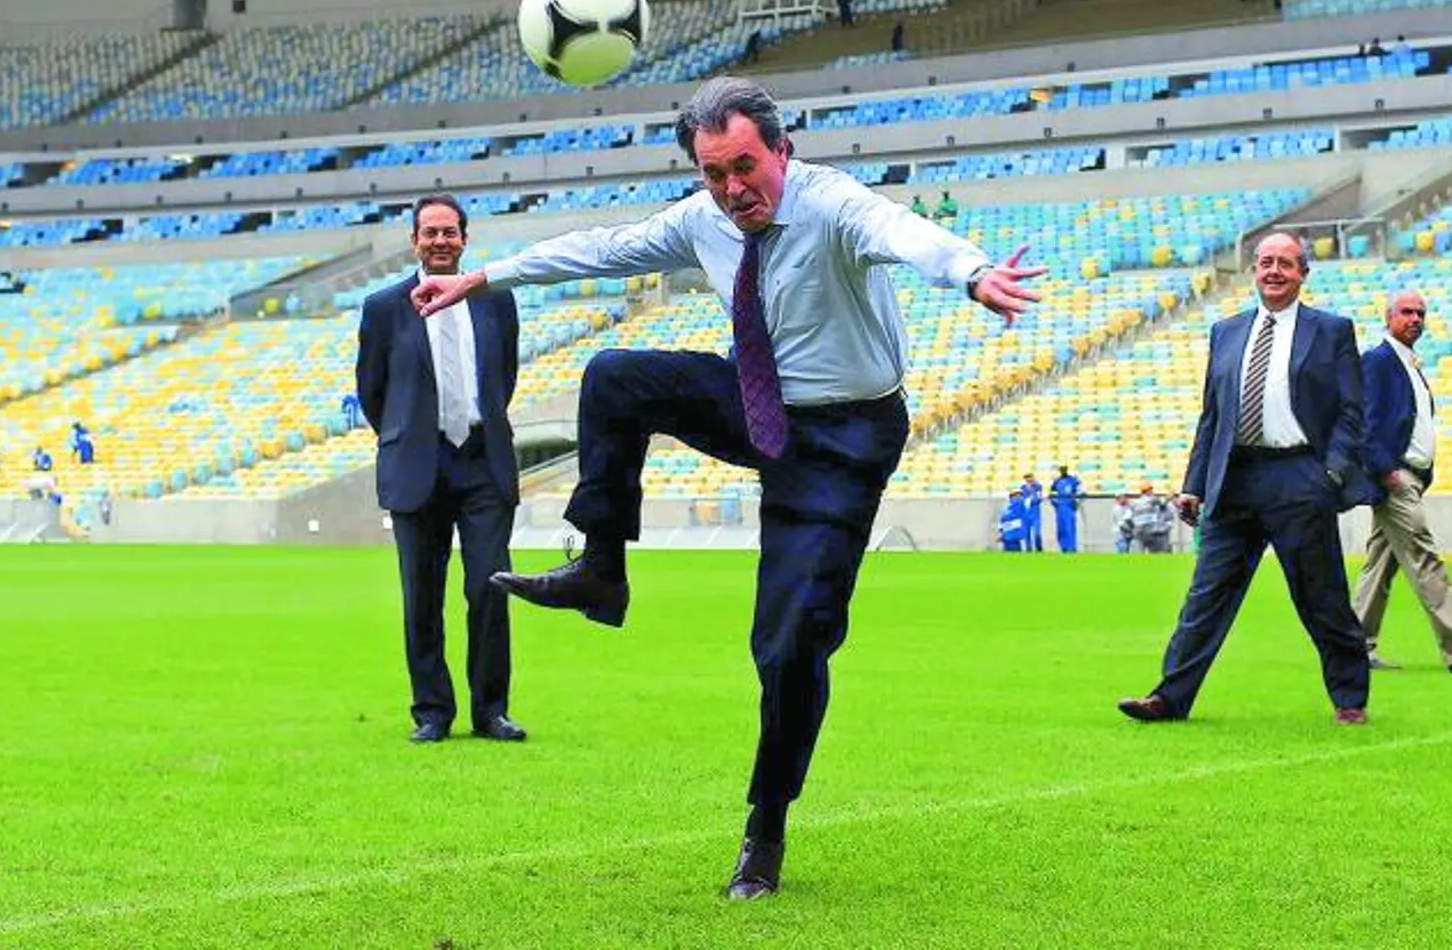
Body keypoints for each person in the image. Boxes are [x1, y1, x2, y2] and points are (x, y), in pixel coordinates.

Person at [408, 76, 1044, 900]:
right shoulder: (702, 216)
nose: (733, 188)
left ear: (782, 149)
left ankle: (765, 829)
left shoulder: (832, 203)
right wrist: (481, 277)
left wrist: (972, 272)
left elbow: (899, 227)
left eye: (746, 166)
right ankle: (602, 567)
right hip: (760, 402)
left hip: (844, 437)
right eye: (715, 172)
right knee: (613, 376)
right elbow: (603, 248)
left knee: (787, 647)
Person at [1118, 233, 1375, 726]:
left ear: (1303, 273)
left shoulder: (1332, 331)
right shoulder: (1226, 331)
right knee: (1206, 596)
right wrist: (1194, 482)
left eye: (1285, 263)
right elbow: (1211, 416)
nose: (1274, 271)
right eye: (1265, 263)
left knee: (1321, 596)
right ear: (1253, 271)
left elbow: (1351, 412)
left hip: (1300, 476)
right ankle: (1169, 697)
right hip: (1234, 479)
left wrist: (1332, 473)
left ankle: (1349, 698)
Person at [355, 193, 525, 746]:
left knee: (489, 587)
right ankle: (431, 711)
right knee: (421, 597)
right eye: (430, 233)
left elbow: (504, 376)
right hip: (416, 464)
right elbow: (373, 392)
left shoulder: (495, 301)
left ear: (465, 238)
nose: (440, 241)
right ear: (414, 242)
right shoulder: (384, 308)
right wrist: (408, 436)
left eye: (450, 232)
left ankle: (491, 710)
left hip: (482, 462)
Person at [1353, 292, 1452, 674]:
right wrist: (1385, 471)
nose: (1415, 319)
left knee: (1379, 565)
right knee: (1425, 558)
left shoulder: (1409, 365)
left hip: (1409, 476)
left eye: (1421, 313)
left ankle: (1352, 648)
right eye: (1407, 312)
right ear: (1388, 317)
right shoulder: (1378, 361)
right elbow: (1363, 421)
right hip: (1396, 477)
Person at [1129, 483, 1173, 553]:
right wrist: (1170, 495)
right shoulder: (1151, 500)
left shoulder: (1135, 502)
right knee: (1154, 550)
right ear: (1148, 491)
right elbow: (1163, 501)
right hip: (1149, 528)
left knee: (1140, 550)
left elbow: (1128, 518)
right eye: (1151, 490)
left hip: (1138, 529)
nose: (1152, 492)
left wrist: (1131, 529)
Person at [1050, 466, 1083, 553]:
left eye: (1064, 469)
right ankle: (1063, 548)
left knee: (1070, 528)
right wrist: (1054, 502)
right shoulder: (1056, 481)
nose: (1063, 471)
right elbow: (1052, 493)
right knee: (1061, 529)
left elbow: (1081, 491)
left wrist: (1076, 502)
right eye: (1061, 469)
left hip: (1069, 506)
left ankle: (1072, 548)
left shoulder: (1073, 480)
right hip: (1060, 507)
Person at [1020, 472, 1045, 552]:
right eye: (1027, 478)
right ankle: (1028, 549)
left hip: (1035, 512)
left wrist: (1030, 500)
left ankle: (1039, 547)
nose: (1028, 479)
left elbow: (1038, 498)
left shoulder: (1038, 486)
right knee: (1026, 533)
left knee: (1037, 532)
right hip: (1025, 513)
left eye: (1030, 477)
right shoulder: (1023, 488)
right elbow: (1021, 499)